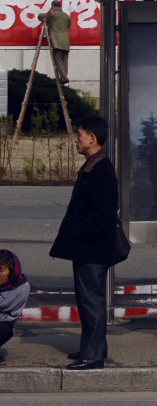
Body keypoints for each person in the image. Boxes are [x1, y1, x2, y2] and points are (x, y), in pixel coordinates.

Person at [49, 115, 119, 370]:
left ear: (92, 138)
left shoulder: (101, 169)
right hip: (89, 249)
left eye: (79, 135)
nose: (76, 140)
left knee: (91, 301)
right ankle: (93, 348)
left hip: (93, 250)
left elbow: (102, 215)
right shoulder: (94, 165)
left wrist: (77, 233)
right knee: (88, 300)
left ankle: (93, 356)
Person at [38, 0, 72, 85]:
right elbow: (68, 25)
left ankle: (64, 78)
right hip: (65, 42)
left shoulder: (52, 14)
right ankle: (64, 77)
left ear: (53, 6)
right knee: (65, 61)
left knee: (58, 60)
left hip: (56, 41)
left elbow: (41, 16)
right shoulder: (66, 16)